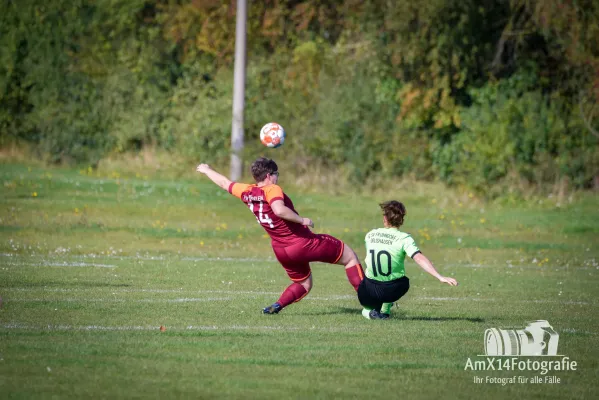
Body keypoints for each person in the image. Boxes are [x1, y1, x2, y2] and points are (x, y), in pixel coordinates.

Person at [196, 157, 365, 314]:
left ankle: (277, 305)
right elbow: (279, 209)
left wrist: (207, 170)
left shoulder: (247, 191)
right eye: (276, 174)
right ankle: (371, 305)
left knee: (303, 284)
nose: (277, 178)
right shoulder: (272, 189)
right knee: (349, 257)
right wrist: (302, 220)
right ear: (269, 175)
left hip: (281, 249)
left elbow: (225, 183)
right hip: (301, 243)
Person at [359, 200, 458, 320]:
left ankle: (369, 312)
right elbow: (419, 258)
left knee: (369, 283)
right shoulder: (404, 238)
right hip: (390, 290)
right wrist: (439, 276)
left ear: (385, 218)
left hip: (367, 292)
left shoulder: (370, 235)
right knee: (404, 282)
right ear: (401, 220)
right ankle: (384, 309)